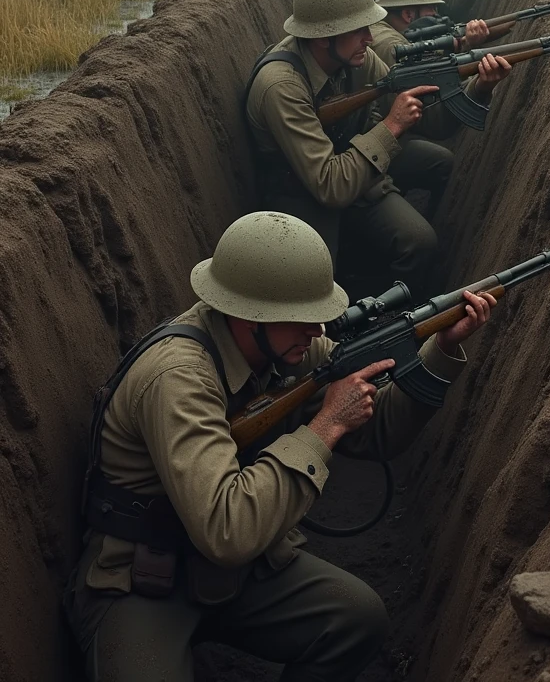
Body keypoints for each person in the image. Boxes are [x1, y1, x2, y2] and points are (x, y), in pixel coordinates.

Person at [65, 210, 497, 681]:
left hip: (228, 572)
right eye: (300, 319)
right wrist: (325, 424)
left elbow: (380, 433)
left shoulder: (289, 343)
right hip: (141, 576)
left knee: (356, 617)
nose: (317, 331)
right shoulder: (178, 379)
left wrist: (442, 349)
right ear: (248, 316)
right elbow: (228, 530)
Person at [245, 0, 456, 297]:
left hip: (350, 166)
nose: (370, 38)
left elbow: (432, 121)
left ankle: (393, 317)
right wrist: (392, 125)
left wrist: (478, 86)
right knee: (319, 281)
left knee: (420, 242)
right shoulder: (281, 86)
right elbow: (329, 186)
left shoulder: (358, 58)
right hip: (302, 192)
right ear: (325, 37)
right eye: (358, 30)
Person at [370, 0, 511, 136]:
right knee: (439, 158)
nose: (435, 15)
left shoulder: (382, 27)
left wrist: (464, 46)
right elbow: (431, 121)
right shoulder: (391, 47)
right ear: (408, 14)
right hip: (375, 131)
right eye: (432, 9)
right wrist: (479, 86)